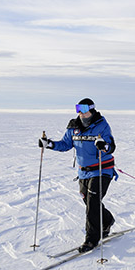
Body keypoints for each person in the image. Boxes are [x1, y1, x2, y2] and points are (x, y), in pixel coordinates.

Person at [39, 98, 117, 253]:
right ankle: (107, 220)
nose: (80, 112)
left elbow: (110, 146)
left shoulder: (102, 125)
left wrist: (104, 146)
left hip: (102, 170)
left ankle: (91, 239)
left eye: (83, 108)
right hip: (83, 172)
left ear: (91, 109)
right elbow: (65, 145)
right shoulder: (73, 127)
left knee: (93, 201)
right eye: (77, 108)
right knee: (89, 203)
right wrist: (50, 144)